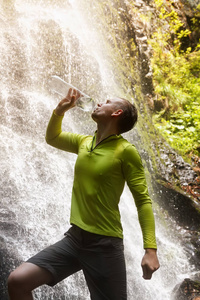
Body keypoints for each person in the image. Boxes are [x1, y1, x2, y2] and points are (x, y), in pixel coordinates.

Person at [7, 88, 160, 300]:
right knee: (18, 281)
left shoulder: (125, 151)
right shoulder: (84, 142)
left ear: (117, 113)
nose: (98, 103)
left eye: (106, 102)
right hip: (75, 239)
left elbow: (143, 201)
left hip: (105, 245)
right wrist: (59, 111)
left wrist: (150, 250)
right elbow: (53, 137)